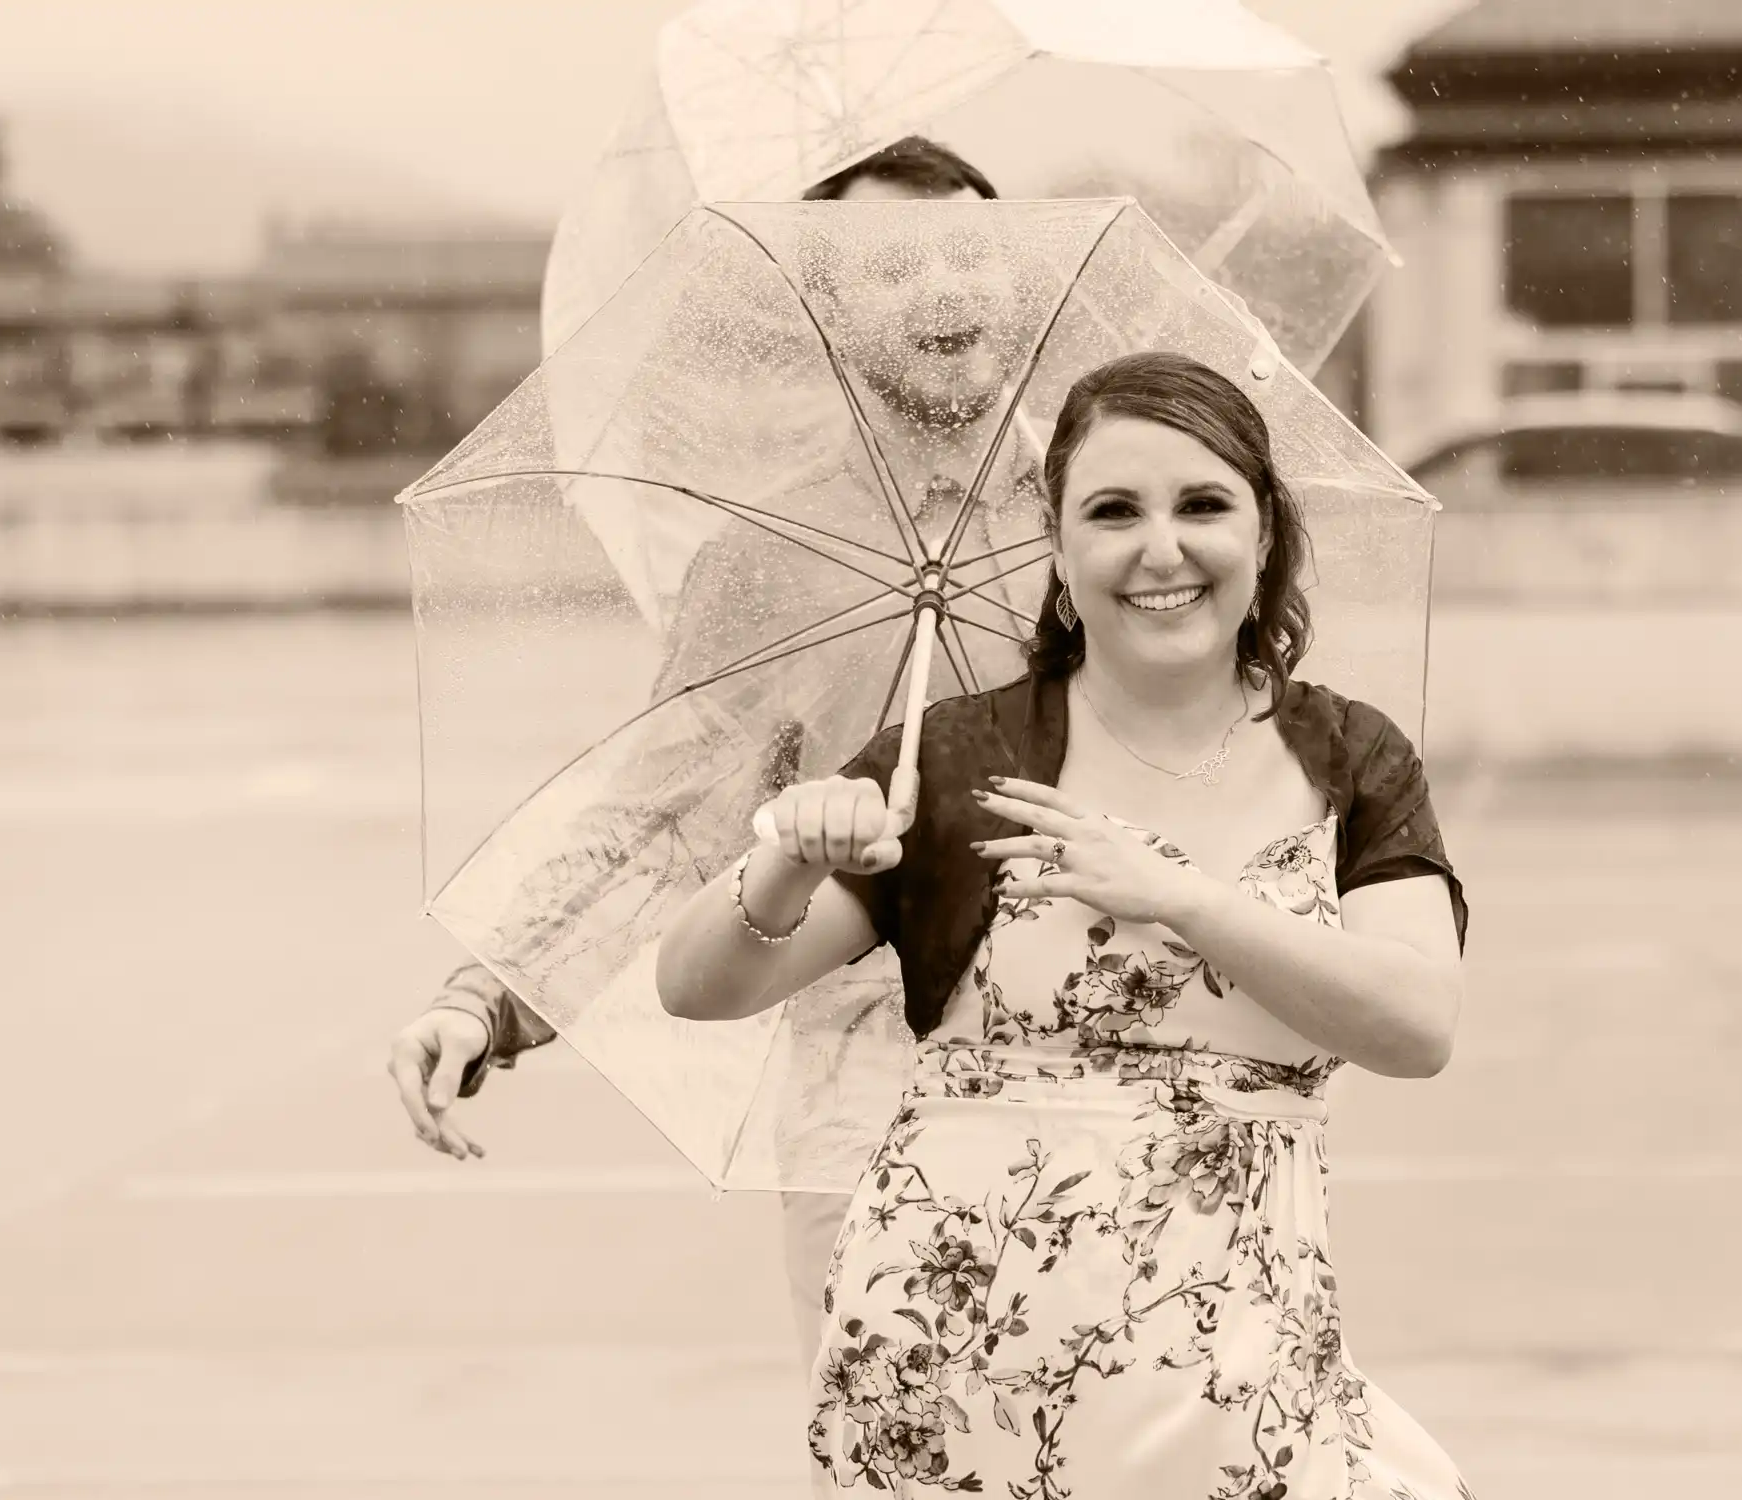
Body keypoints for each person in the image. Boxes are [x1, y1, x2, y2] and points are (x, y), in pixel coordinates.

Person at [656, 351, 1472, 1495]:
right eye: (1112, 512)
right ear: (1057, 547)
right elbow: (698, 986)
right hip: (958, 1357)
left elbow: (1416, 1026)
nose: (1161, 549)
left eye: (1202, 505)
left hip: (1240, 1358)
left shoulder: (1350, 757)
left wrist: (1180, 896)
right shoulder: (958, 758)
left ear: (1267, 528)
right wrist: (784, 858)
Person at [386, 135, 997, 1364]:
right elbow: (661, 815)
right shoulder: (768, 561)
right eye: (891, 268)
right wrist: (489, 998)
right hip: (866, 1093)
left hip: (1117, 1081)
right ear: (826, 308)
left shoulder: (1116, 506)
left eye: (972, 252)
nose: (944, 291)